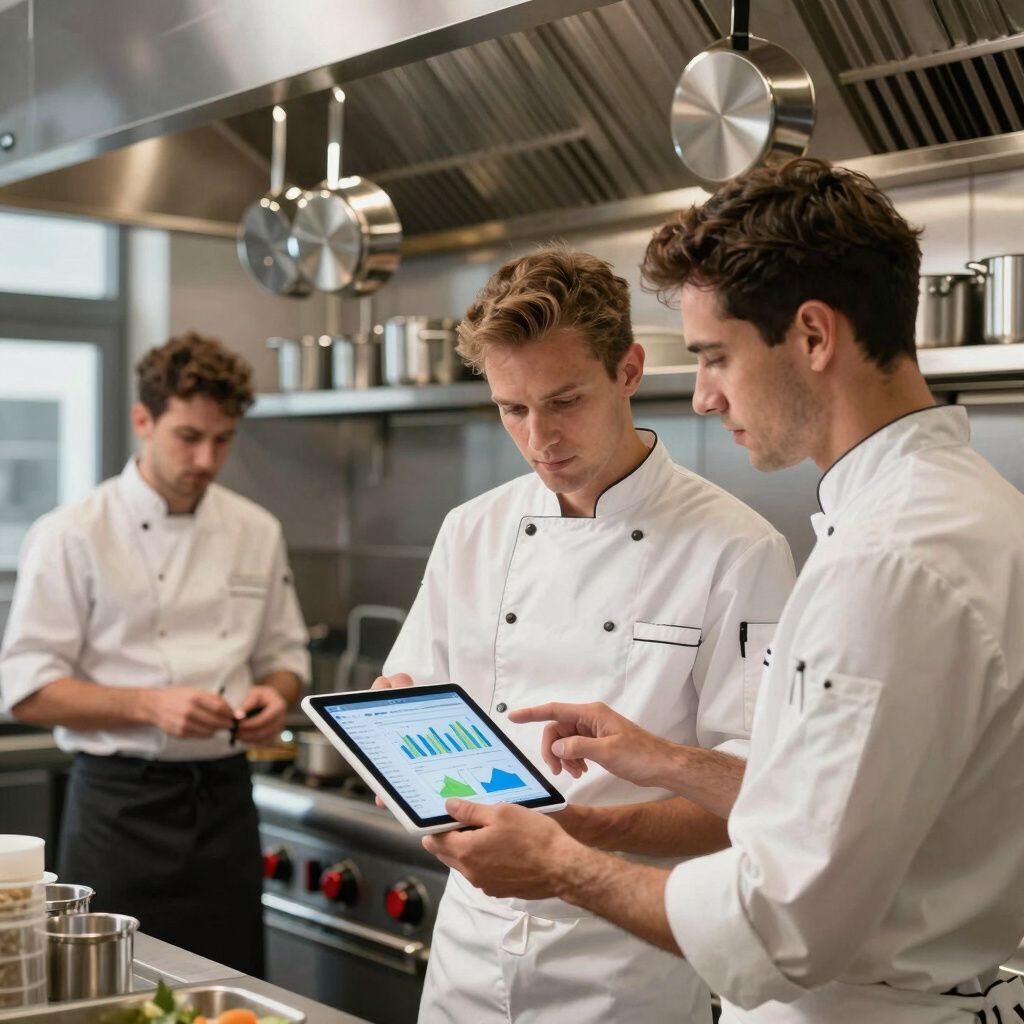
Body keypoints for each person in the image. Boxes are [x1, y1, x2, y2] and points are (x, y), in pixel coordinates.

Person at [422, 159, 1024, 1023]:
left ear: (813, 337)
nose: (703, 397)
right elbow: (832, 807)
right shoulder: (956, 511)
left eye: (714, 356)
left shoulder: (888, 561)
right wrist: (662, 762)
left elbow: (781, 923)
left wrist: (561, 863)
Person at [373, 246, 796, 1023]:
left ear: (629, 369)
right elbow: (410, 709)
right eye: (513, 409)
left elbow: (765, 799)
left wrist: (585, 835)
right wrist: (393, 757)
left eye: (564, 400)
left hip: (625, 970)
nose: (541, 439)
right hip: (467, 956)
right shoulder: (470, 531)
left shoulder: (739, 550)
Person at [0, 332, 309, 976]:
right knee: (113, 996)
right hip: (119, 811)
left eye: (222, 440)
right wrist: (150, 706)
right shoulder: (71, 534)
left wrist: (273, 696)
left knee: (232, 992)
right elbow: (26, 689)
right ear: (144, 420)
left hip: (224, 804)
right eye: (188, 436)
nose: (206, 457)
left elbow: (285, 655)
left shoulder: (258, 530)